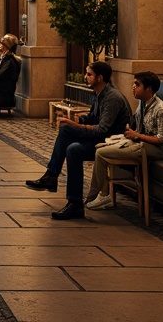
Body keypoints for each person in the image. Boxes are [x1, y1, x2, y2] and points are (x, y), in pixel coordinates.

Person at [25, 60, 131, 220]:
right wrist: (77, 121)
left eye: (89, 74)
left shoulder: (112, 98)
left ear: (100, 78)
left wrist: (76, 126)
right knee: (69, 137)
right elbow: (92, 118)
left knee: (72, 144)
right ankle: (61, 188)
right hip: (100, 137)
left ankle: (58, 184)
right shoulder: (98, 93)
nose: (85, 77)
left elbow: (102, 129)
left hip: (110, 142)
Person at [86, 71, 163, 210]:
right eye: (134, 83)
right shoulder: (143, 104)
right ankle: (105, 192)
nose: (133, 87)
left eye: (137, 84)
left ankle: (98, 196)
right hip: (143, 142)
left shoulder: (161, 109)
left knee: (101, 153)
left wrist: (137, 136)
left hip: (161, 149)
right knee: (100, 147)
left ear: (149, 88)